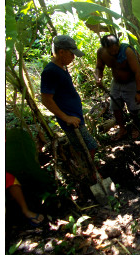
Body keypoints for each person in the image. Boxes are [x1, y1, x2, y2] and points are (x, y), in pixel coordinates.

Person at [40, 35, 98, 163]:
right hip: (69, 118)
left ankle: (87, 168)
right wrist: (66, 117)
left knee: (83, 146)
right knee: (90, 146)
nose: (73, 57)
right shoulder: (50, 72)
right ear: (61, 52)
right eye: (71, 54)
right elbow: (46, 99)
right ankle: (89, 170)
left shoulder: (61, 67)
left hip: (74, 117)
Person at [93, 34, 140, 141]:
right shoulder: (102, 53)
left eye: (115, 50)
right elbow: (99, 67)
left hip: (131, 82)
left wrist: (138, 91)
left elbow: (137, 72)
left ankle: (136, 127)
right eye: (110, 51)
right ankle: (122, 129)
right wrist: (98, 77)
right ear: (105, 48)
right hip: (116, 83)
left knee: (135, 108)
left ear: (118, 45)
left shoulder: (127, 52)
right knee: (115, 107)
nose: (113, 53)